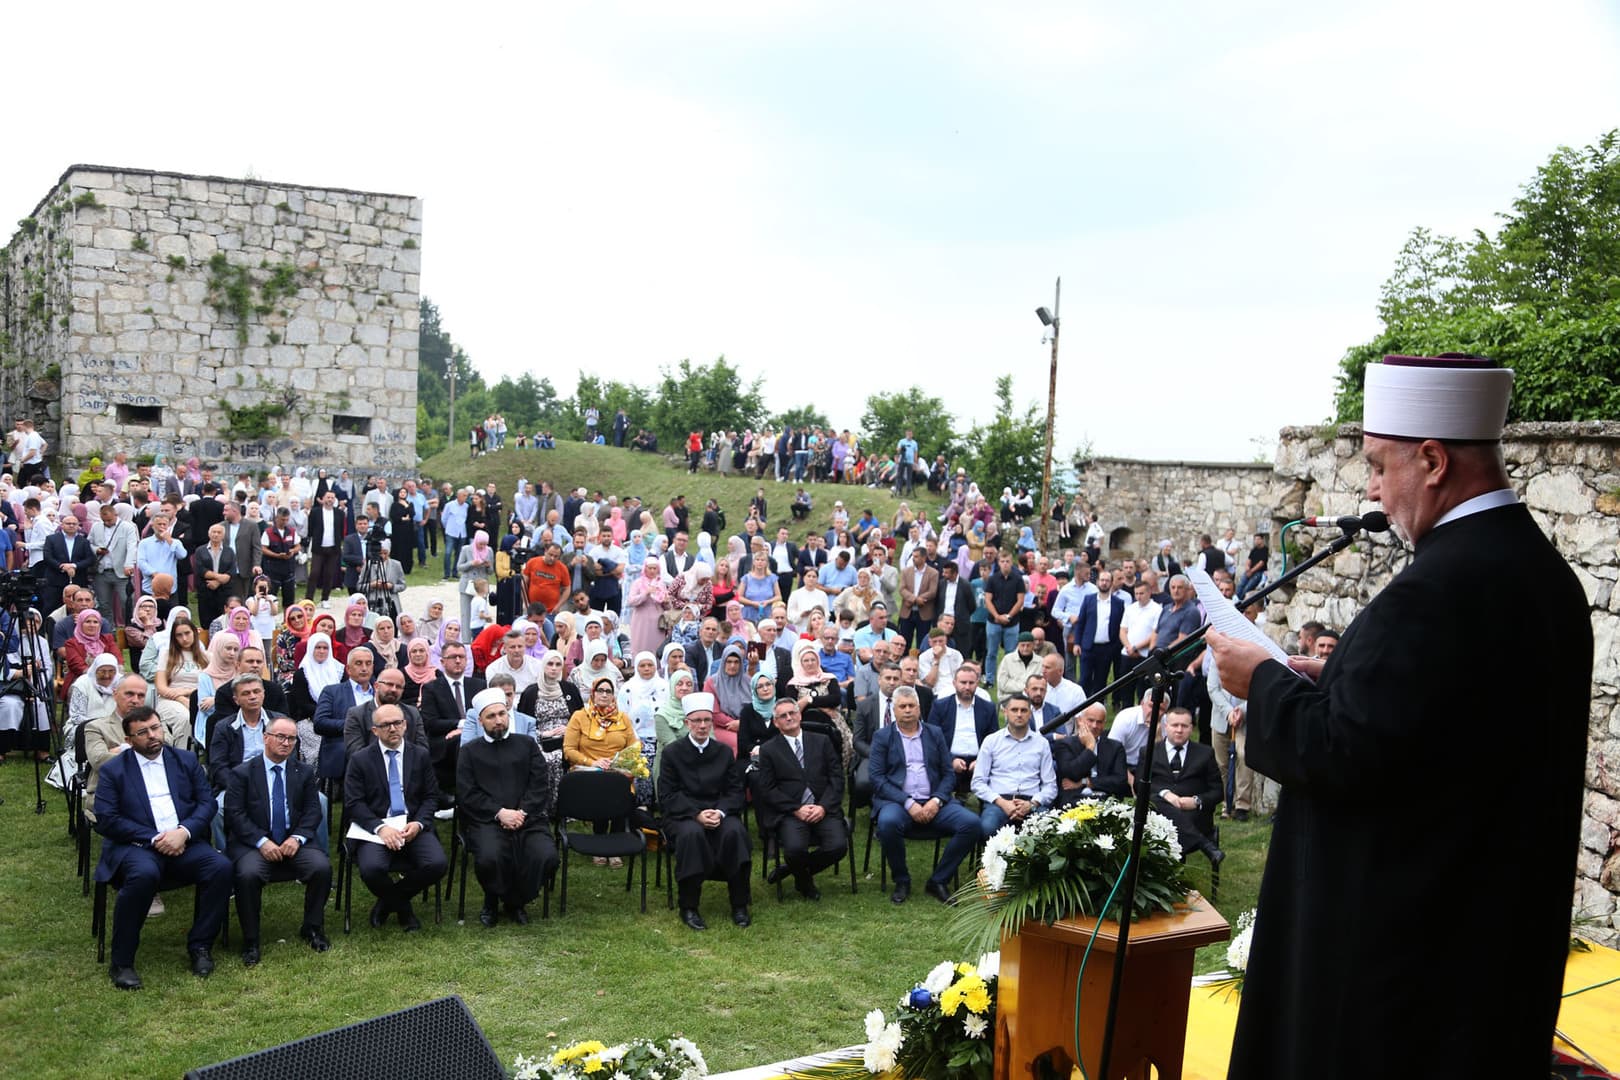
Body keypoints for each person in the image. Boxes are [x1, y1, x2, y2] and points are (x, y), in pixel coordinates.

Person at [1206, 354, 1592, 1080]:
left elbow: (1346, 752)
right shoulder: (1543, 575)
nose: (1373, 490)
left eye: (1381, 466)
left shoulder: (1439, 587)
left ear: (1435, 460)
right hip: (1493, 943)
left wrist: (1261, 682)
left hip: (1404, 965)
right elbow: (1439, 723)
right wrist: (1336, 677)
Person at [93, 706, 232, 989]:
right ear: (129, 739)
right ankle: (122, 961)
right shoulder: (113, 770)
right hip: (138, 845)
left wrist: (183, 832)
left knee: (221, 867)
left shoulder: (185, 760)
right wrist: (156, 838)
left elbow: (206, 803)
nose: (153, 735)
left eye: (156, 728)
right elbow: (107, 819)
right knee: (143, 875)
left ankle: (200, 946)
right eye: (142, 732)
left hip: (183, 840)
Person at [223, 714, 331, 965]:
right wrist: (262, 842)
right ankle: (251, 939)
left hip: (293, 842)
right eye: (280, 737)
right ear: (265, 738)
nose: (286, 743)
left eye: (291, 738)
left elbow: (313, 811)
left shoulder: (302, 771)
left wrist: (298, 838)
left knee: (321, 868)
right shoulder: (242, 773)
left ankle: (313, 928)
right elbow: (234, 815)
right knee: (248, 875)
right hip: (254, 844)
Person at [869, 686, 980, 905]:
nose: (908, 710)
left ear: (919, 709)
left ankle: (939, 880)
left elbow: (948, 774)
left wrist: (937, 800)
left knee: (972, 824)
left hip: (934, 800)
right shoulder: (882, 737)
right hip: (898, 802)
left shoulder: (934, 733)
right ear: (894, 709)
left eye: (912, 706)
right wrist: (908, 803)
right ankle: (902, 880)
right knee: (887, 823)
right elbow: (877, 778)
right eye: (903, 706)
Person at [343, 702, 448, 932]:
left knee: (437, 863)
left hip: (412, 824)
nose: (392, 729)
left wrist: (419, 824)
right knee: (371, 869)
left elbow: (431, 796)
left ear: (405, 725)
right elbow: (354, 803)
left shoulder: (419, 755)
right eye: (385, 725)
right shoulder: (360, 759)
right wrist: (380, 828)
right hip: (376, 828)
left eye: (397, 723)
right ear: (375, 730)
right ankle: (403, 909)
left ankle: (387, 902)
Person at [458, 688, 557, 927]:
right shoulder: (469, 752)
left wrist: (522, 813)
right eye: (491, 716)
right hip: (488, 821)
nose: (498, 720)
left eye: (502, 713)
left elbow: (539, 783)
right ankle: (493, 900)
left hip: (528, 819)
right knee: (490, 857)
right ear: (480, 720)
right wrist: (499, 812)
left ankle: (515, 901)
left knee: (546, 856)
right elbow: (467, 792)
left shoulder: (527, 745)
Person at [659, 692, 752, 930]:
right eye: (697, 721)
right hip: (684, 815)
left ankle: (739, 904)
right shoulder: (672, 753)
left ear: (712, 722)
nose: (702, 726)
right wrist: (696, 814)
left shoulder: (722, 752)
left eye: (706, 721)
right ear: (686, 722)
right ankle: (689, 906)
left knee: (735, 832)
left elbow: (734, 791)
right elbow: (668, 795)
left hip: (719, 812)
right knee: (691, 835)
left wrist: (720, 812)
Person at [753, 698, 846, 901]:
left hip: (823, 808)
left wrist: (822, 807)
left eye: (792, 713)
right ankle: (804, 882)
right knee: (794, 849)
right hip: (790, 812)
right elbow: (767, 789)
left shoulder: (821, 741)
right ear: (776, 723)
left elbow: (837, 779)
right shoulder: (769, 750)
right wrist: (796, 809)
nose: (789, 718)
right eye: (783, 716)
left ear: (800, 714)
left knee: (838, 846)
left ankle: (792, 871)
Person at [1144, 707, 1223, 864]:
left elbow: (1218, 791)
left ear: (1191, 728)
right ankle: (1204, 845)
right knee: (1157, 799)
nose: (1179, 730)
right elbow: (1140, 787)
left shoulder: (1205, 753)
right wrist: (1166, 794)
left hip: (1194, 814)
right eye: (1175, 725)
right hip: (1157, 813)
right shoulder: (1149, 752)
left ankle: (1174, 881)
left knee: (1175, 817)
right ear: (1166, 726)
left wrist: (1196, 801)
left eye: (1184, 726)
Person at [970, 692, 1056, 835]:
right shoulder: (991, 741)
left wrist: (1032, 804)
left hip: (1031, 802)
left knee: (1050, 830)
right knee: (987, 828)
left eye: (1023, 710)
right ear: (1005, 712)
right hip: (998, 802)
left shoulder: (1041, 744)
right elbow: (978, 782)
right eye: (1014, 710)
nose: (1019, 714)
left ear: (1030, 713)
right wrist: (1002, 803)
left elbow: (1050, 786)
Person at [926, 665, 1000, 785]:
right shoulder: (940, 706)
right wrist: (950, 760)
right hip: (948, 758)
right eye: (963, 682)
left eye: (971, 683)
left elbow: (994, 740)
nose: (967, 687)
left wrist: (981, 761)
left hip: (979, 760)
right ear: (954, 683)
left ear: (977, 684)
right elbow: (931, 739)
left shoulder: (988, 708)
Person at [1052, 703, 1129, 804]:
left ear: (1104, 723)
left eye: (1099, 722)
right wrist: (1090, 747)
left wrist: (1086, 782)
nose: (1094, 726)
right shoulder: (1065, 745)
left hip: (1107, 799)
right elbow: (1072, 773)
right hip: (1074, 801)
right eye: (1090, 720)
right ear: (1080, 721)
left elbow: (1120, 781)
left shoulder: (1115, 747)